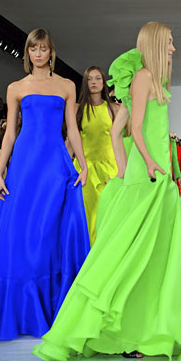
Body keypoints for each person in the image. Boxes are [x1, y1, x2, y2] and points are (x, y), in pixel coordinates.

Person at [32, 21, 181, 361]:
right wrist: (145, 164)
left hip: (152, 173)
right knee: (138, 252)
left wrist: (126, 170)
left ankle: (156, 330)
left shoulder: (152, 80)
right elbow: (133, 128)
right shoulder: (144, 78)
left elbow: (117, 130)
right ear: (155, 44)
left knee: (156, 252)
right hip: (148, 174)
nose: (173, 48)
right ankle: (133, 331)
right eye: (169, 42)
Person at [0, 28, 89, 340]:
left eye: (43, 48)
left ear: (51, 52)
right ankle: (22, 307)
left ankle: (52, 306)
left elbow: (72, 129)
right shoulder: (16, 88)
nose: (38, 53)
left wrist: (83, 164)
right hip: (25, 163)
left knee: (49, 230)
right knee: (21, 231)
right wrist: (0, 171)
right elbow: (10, 132)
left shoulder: (67, 86)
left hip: (54, 164)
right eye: (34, 49)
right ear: (27, 52)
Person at [74, 66, 119, 244]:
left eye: (98, 78)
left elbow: (120, 142)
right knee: (87, 214)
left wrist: (121, 171)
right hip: (84, 170)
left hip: (109, 169)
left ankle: (104, 254)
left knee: (107, 214)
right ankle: (88, 255)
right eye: (89, 79)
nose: (94, 82)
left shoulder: (113, 109)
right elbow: (71, 141)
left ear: (104, 82)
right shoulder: (77, 109)